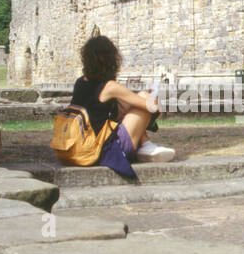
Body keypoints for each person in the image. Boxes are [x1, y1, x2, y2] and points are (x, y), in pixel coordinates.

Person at [70, 34, 175, 177]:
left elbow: (107, 110)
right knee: (145, 99)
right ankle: (145, 146)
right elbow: (153, 108)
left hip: (82, 145)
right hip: (102, 150)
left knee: (138, 99)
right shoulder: (110, 87)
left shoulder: (80, 83)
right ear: (111, 60)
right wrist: (153, 102)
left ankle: (145, 145)